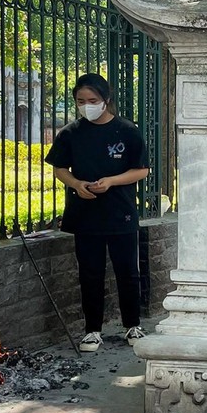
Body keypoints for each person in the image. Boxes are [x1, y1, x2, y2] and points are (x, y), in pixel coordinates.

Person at [44, 73, 150, 352]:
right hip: (85, 214)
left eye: (93, 100)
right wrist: (77, 184)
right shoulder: (70, 133)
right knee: (90, 274)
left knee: (128, 271)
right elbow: (59, 168)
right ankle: (92, 330)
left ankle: (133, 324)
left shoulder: (127, 131)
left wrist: (112, 181)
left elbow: (141, 169)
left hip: (120, 212)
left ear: (106, 100)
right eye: (81, 101)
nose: (87, 105)